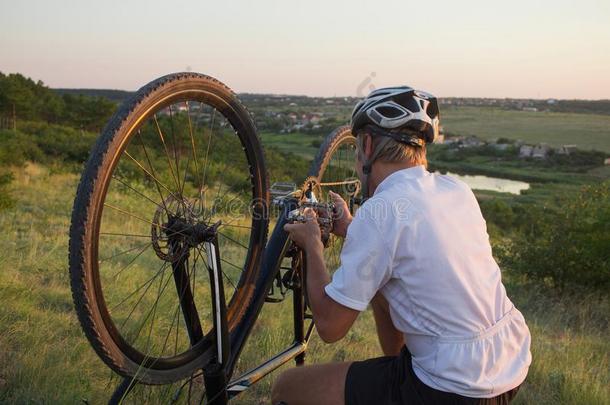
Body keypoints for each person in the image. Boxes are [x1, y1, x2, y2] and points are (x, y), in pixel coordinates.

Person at [272, 86, 531, 405]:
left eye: (356, 151)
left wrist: (312, 246)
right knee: (383, 289)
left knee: (287, 387)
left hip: (452, 387)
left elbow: (328, 326)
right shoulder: (456, 190)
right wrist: (354, 230)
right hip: (510, 362)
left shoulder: (380, 211)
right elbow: (413, 248)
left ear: (366, 146)